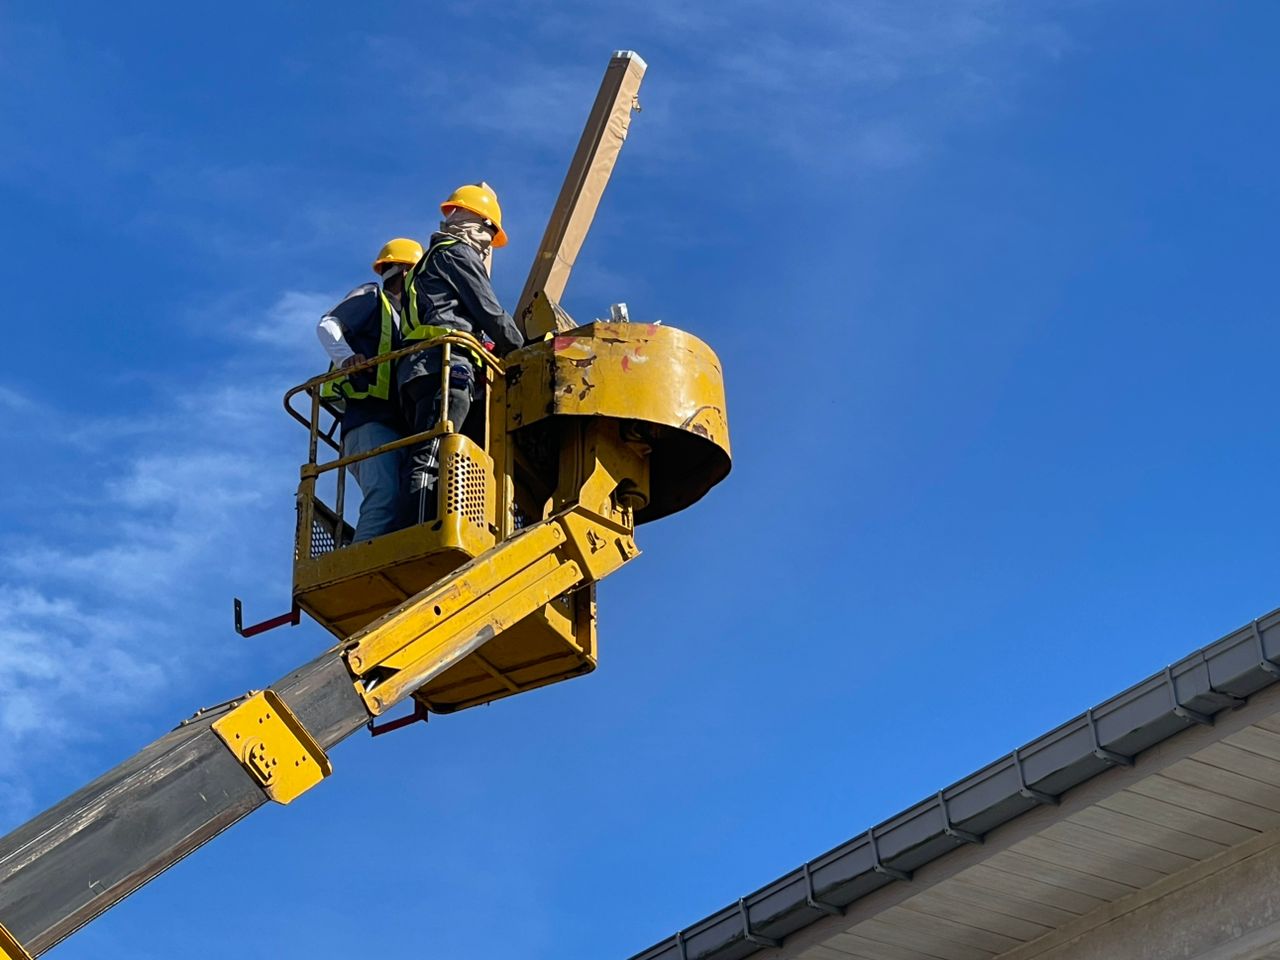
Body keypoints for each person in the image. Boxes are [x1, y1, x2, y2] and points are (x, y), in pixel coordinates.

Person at [398, 183, 525, 524]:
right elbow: (489, 310)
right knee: (435, 453)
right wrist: (521, 350)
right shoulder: (456, 253)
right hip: (445, 365)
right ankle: (422, 531)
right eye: (489, 232)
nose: (488, 243)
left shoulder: (427, 263)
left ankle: (428, 522)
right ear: (474, 222)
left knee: (432, 450)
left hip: (420, 370)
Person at [316, 237, 423, 542]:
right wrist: (347, 358)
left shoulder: (407, 320)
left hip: (395, 424)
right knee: (384, 498)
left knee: (403, 504)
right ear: (405, 271)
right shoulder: (372, 297)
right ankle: (360, 565)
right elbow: (327, 325)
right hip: (368, 421)